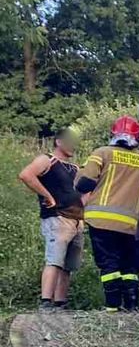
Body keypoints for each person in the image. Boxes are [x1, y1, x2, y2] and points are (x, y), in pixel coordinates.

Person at [75, 116, 139, 311]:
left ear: (113, 134)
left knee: (108, 265)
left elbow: (83, 183)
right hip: (129, 224)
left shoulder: (102, 153)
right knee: (127, 267)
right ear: (138, 138)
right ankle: (131, 306)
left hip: (100, 220)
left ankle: (112, 308)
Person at [18, 127, 84, 310]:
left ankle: (60, 303)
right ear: (59, 142)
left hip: (76, 220)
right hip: (57, 218)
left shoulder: (74, 167)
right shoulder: (47, 160)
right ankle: (45, 302)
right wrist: (48, 196)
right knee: (54, 260)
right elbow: (26, 175)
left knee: (68, 266)